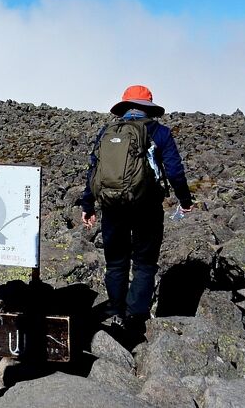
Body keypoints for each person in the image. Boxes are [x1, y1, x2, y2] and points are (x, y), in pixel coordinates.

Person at [80, 85, 193, 342]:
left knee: (116, 262)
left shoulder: (107, 132)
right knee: (144, 263)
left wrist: (88, 205)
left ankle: (116, 311)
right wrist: (184, 200)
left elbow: (93, 172)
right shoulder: (160, 132)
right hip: (147, 208)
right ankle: (136, 318)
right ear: (149, 107)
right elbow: (174, 171)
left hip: (112, 207)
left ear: (125, 106)